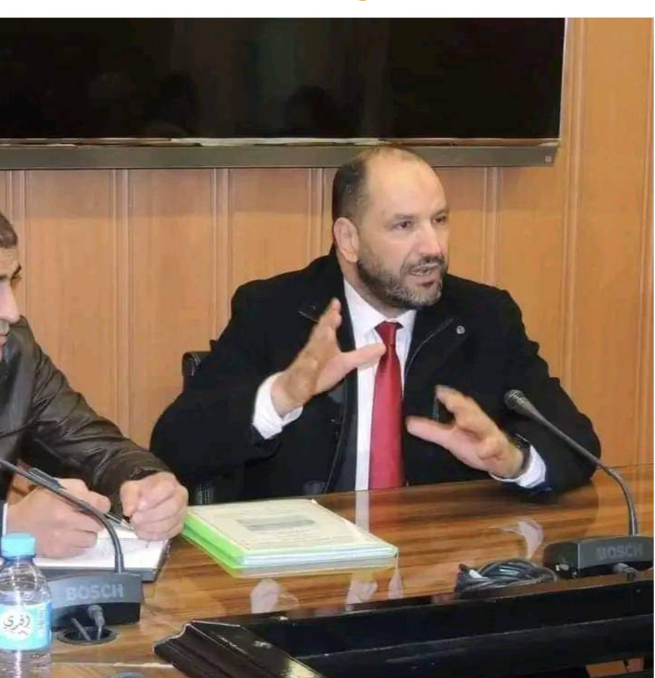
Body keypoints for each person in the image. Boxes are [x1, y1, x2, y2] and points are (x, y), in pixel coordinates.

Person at [151, 145, 600, 502]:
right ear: (348, 239)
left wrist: (513, 460)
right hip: (304, 574)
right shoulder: (275, 311)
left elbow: (577, 443)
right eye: (404, 226)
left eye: (439, 220)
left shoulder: (484, 316)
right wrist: (280, 397)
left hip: (440, 570)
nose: (433, 247)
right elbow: (176, 445)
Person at [0, 211, 188, 557]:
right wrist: (8, 527)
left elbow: (99, 451)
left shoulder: (15, 352)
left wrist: (147, 484)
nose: (11, 311)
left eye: (11, 282)